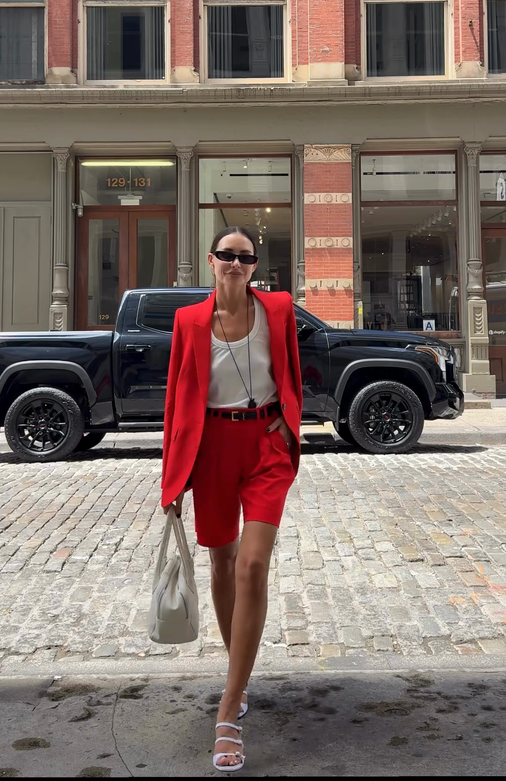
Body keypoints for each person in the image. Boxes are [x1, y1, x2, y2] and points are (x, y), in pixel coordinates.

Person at [161, 226, 302, 772]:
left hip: (265, 445)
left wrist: (290, 432)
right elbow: (177, 398)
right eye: (227, 256)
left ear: (254, 265)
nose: (236, 264)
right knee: (221, 562)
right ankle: (237, 674)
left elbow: (288, 370)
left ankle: (227, 710)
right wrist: (172, 479)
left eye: (245, 257)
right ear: (212, 262)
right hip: (211, 447)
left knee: (252, 565)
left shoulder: (280, 310)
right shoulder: (189, 321)